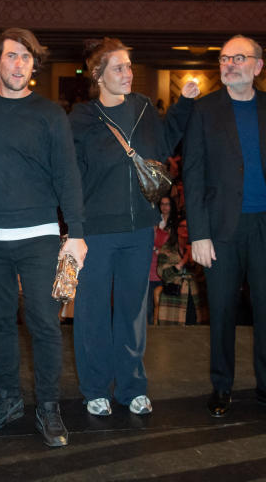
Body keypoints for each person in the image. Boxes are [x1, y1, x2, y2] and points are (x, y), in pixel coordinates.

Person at [0, 28, 86, 448]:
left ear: (34, 65)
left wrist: (77, 234)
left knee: (45, 324)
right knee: (0, 324)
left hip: (40, 236)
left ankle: (48, 406)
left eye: (26, 58)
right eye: (11, 57)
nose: (18, 65)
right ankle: (9, 399)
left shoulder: (50, 114)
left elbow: (68, 176)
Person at [68, 37, 197, 417]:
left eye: (129, 66)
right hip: (96, 230)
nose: (128, 74)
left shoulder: (141, 107)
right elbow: (71, 175)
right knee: (91, 311)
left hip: (139, 228)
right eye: (119, 68)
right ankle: (94, 388)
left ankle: (131, 386)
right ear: (98, 75)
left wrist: (184, 104)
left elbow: (165, 139)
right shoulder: (82, 118)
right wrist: (74, 227)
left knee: (132, 311)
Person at [183, 34, 266, 420]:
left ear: (256, 65)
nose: (229, 64)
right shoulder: (204, 111)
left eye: (238, 58)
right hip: (219, 230)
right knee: (221, 311)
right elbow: (194, 173)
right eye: (223, 59)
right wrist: (198, 233)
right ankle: (222, 386)